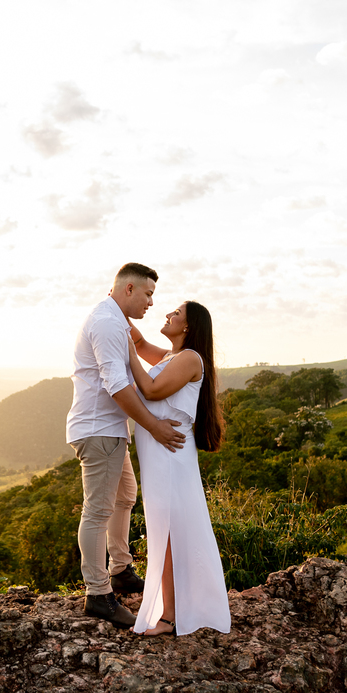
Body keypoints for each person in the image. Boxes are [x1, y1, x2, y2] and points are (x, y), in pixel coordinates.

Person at [67, 263, 187, 628]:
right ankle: (98, 594)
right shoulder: (106, 322)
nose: (152, 302)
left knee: (125, 496)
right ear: (129, 289)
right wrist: (154, 427)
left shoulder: (116, 321)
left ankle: (120, 569)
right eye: (148, 294)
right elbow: (118, 385)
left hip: (110, 429)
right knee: (98, 509)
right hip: (98, 429)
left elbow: (141, 362)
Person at [127, 300, 231, 637]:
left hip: (169, 458)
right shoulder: (173, 357)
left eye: (176, 313)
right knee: (167, 530)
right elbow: (139, 344)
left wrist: (128, 355)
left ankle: (171, 616)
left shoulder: (189, 358)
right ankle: (178, 608)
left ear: (188, 326)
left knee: (169, 532)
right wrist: (115, 310)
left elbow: (151, 388)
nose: (169, 314)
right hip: (161, 457)